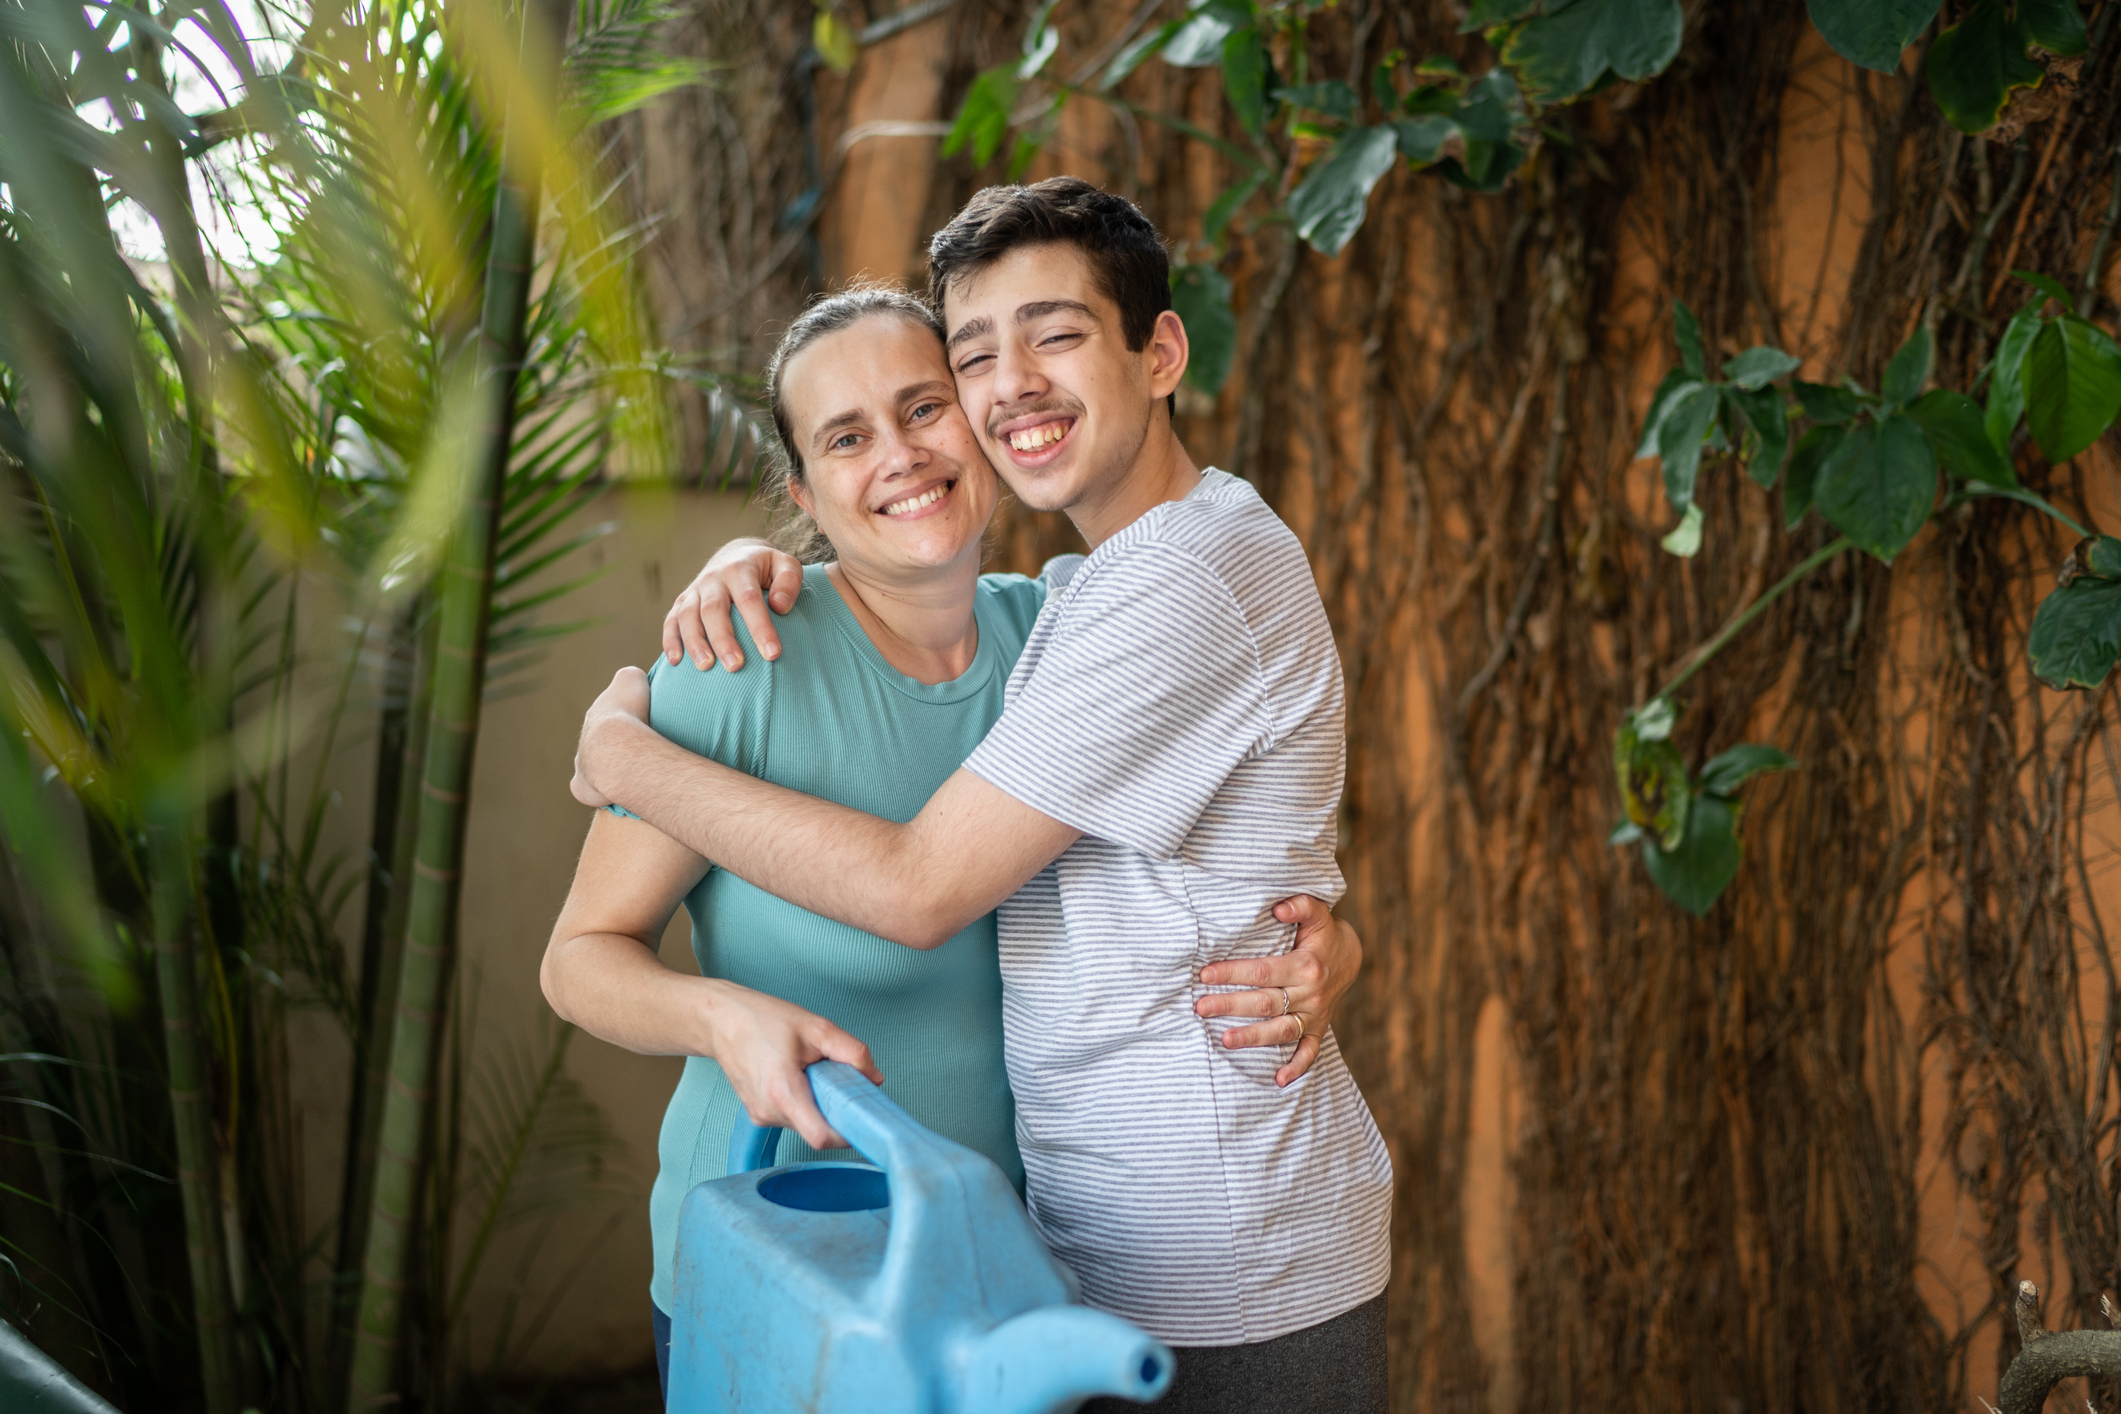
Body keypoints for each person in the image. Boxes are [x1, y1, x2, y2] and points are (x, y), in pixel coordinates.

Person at [571, 178, 1394, 1410]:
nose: (906, 452)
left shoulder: (1063, 624)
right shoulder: (738, 662)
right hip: (797, 1239)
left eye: (924, 406)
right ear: (800, 495)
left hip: (1042, 1261)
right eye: (845, 438)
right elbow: (579, 954)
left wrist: (619, 751)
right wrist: (721, 1016)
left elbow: (946, 888)